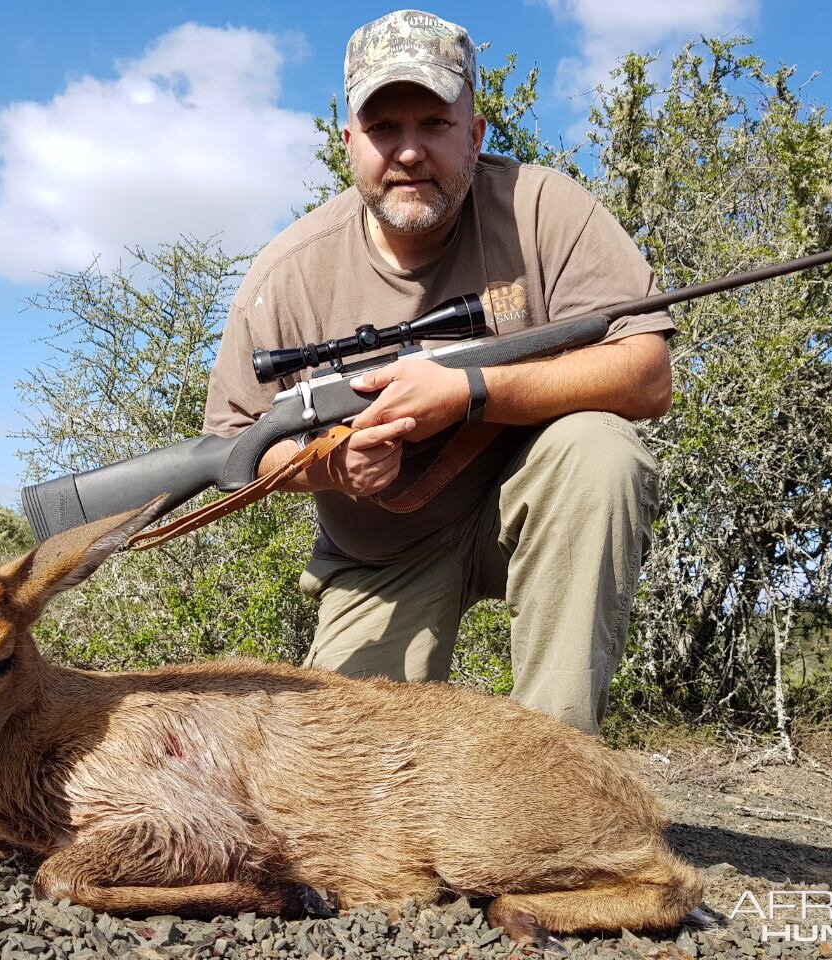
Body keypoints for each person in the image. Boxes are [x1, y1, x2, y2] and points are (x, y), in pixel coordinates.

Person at [203, 9, 674, 736]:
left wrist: (468, 390)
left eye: (434, 123)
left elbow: (647, 374)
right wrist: (332, 463)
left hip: (534, 506)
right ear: (349, 144)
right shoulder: (286, 273)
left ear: (476, 133)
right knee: (344, 793)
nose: (410, 151)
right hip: (381, 556)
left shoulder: (546, 207)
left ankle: (554, 778)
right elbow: (235, 447)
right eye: (385, 128)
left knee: (599, 453)